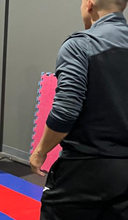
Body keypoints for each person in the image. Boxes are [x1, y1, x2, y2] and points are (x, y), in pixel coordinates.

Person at [30, 0, 128, 219]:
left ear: (89, 3)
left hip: (84, 170)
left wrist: (40, 151)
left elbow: (65, 110)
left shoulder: (81, 44)